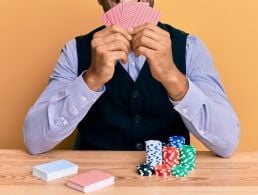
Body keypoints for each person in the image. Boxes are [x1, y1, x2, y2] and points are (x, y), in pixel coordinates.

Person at [23, 0, 240, 157]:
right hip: (94, 184)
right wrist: (91, 79)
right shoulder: (75, 51)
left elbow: (227, 142)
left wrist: (172, 77)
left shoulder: (190, 47)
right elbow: (34, 140)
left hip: (167, 182)